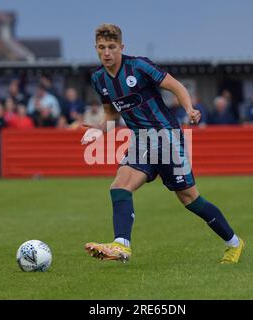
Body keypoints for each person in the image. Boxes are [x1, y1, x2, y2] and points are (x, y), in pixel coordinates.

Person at [82, 24, 244, 264]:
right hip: (142, 141)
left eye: (112, 47)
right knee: (119, 187)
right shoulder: (99, 79)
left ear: (121, 47)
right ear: (95, 48)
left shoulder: (139, 66)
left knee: (190, 199)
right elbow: (112, 116)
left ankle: (234, 243)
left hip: (166, 137)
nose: (107, 53)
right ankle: (121, 246)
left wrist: (189, 109)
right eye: (102, 47)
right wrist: (98, 130)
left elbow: (176, 86)